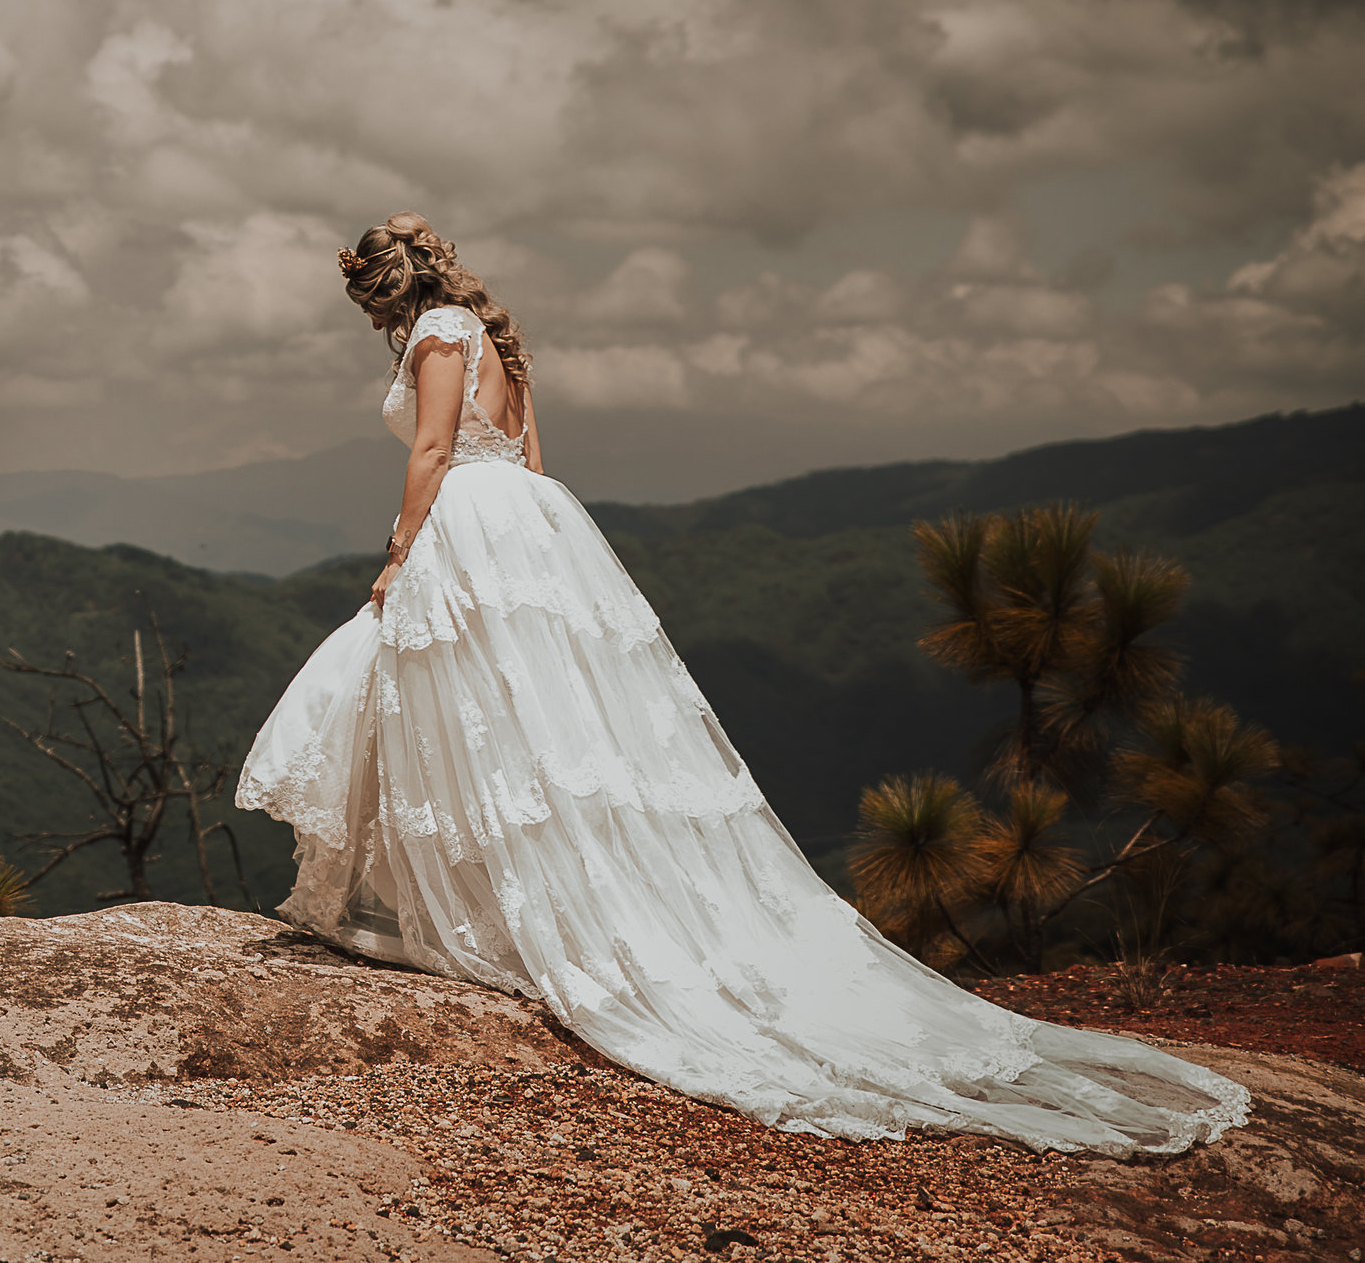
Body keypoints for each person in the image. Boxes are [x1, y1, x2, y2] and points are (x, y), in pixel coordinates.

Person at [237, 211, 1248, 1154]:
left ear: (383, 298)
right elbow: (535, 456)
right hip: (534, 524)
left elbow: (431, 449)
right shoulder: (494, 335)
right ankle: (525, 902)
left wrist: (399, 550)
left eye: (367, 310)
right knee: (548, 726)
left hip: (467, 522)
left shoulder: (432, 340)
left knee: (469, 721)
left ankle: (465, 907)